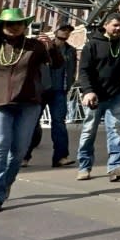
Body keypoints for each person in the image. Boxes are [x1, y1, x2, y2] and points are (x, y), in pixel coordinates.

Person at [0, 7, 62, 215]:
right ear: (1, 26)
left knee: (18, 153)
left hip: (28, 104)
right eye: (9, 24)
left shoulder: (35, 46)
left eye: (18, 23)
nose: (14, 27)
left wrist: (52, 48)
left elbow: (58, 65)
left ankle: (5, 183)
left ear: (25, 26)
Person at [76, 13, 120, 182]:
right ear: (106, 25)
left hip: (117, 95)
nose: (118, 29)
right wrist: (88, 91)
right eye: (115, 25)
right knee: (89, 131)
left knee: (116, 129)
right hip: (95, 96)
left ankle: (115, 167)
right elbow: (84, 70)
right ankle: (84, 166)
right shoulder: (92, 45)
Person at [23, 24, 77, 167]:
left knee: (59, 123)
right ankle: (24, 156)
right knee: (32, 123)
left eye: (69, 31)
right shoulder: (42, 45)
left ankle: (61, 157)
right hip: (41, 90)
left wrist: (69, 85)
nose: (66, 33)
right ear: (56, 31)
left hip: (60, 90)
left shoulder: (70, 50)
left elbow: (71, 69)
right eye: (63, 30)